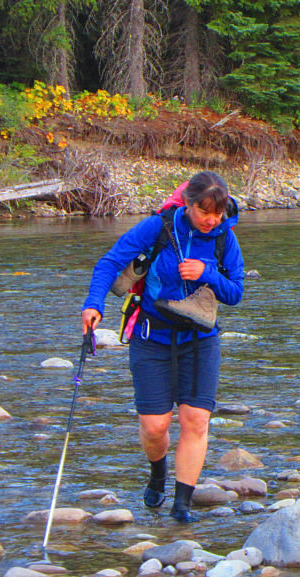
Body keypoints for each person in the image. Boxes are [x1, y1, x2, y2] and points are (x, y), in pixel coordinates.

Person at [81, 171, 245, 522]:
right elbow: (110, 263)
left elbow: (235, 293)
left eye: (218, 213)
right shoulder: (157, 228)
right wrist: (93, 304)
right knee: (155, 426)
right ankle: (157, 472)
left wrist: (207, 273)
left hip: (201, 339)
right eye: (205, 212)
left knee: (196, 420)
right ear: (188, 205)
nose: (212, 220)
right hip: (151, 336)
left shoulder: (224, 239)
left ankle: (181, 505)